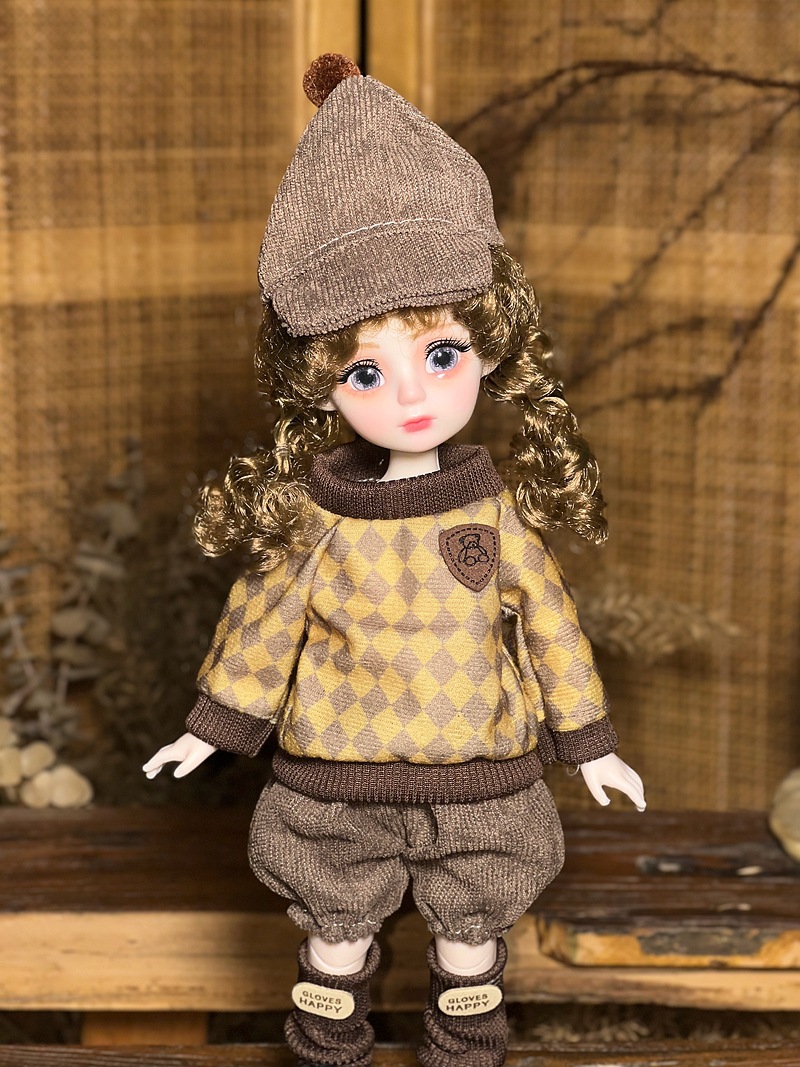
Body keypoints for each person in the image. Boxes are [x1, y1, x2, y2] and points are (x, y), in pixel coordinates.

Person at [143, 54, 645, 1067]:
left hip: (481, 773)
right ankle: (330, 1032)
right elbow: (264, 623)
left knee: (471, 936)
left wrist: (588, 741)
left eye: (440, 355)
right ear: (319, 386)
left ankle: (464, 1034)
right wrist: (212, 727)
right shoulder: (316, 521)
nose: (411, 396)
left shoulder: (497, 518)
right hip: (333, 778)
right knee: (333, 935)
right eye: (366, 371)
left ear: (489, 348)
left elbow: (550, 626)